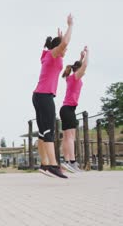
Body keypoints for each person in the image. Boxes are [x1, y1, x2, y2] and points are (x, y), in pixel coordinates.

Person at [32, 14, 74, 179]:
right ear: (57, 48)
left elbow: (60, 44)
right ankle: (53, 166)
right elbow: (64, 44)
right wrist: (70, 26)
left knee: (43, 133)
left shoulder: (46, 54)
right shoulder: (52, 55)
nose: (65, 51)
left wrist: (60, 38)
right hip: (44, 96)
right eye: (64, 49)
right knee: (49, 131)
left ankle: (44, 164)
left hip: (38, 95)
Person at [60, 47, 88, 173]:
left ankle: (67, 162)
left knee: (67, 137)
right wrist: (88, 54)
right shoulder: (75, 77)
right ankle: (72, 163)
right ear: (78, 70)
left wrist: (81, 57)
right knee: (70, 137)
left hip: (66, 109)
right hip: (68, 110)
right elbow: (84, 66)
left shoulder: (71, 77)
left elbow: (79, 65)